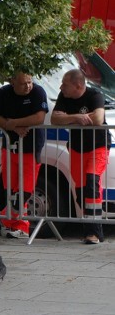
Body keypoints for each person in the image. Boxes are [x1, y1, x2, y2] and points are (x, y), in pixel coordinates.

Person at [51, 69, 109, 244]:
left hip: (97, 146)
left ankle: (94, 232)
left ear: (78, 85)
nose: (61, 87)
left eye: (65, 84)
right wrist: (78, 117)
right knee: (81, 189)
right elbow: (54, 119)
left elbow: (98, 119)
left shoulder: (94, 95)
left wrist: (68, 118)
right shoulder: (64, 96)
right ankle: (88, 229)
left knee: (92, 182)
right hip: (77, 148)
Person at [0, 72, 48, 238]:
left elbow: (39, 117)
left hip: (31, 148)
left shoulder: (38, 92)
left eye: (30, 82)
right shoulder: (3, 93)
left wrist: (15, 122)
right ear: (12, 81)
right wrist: (13, 127)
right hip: (9, 147)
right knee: (11, 188)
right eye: (24, 83)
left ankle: (7, 216)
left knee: (25, 190)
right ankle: (15, 226)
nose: (28, 86)